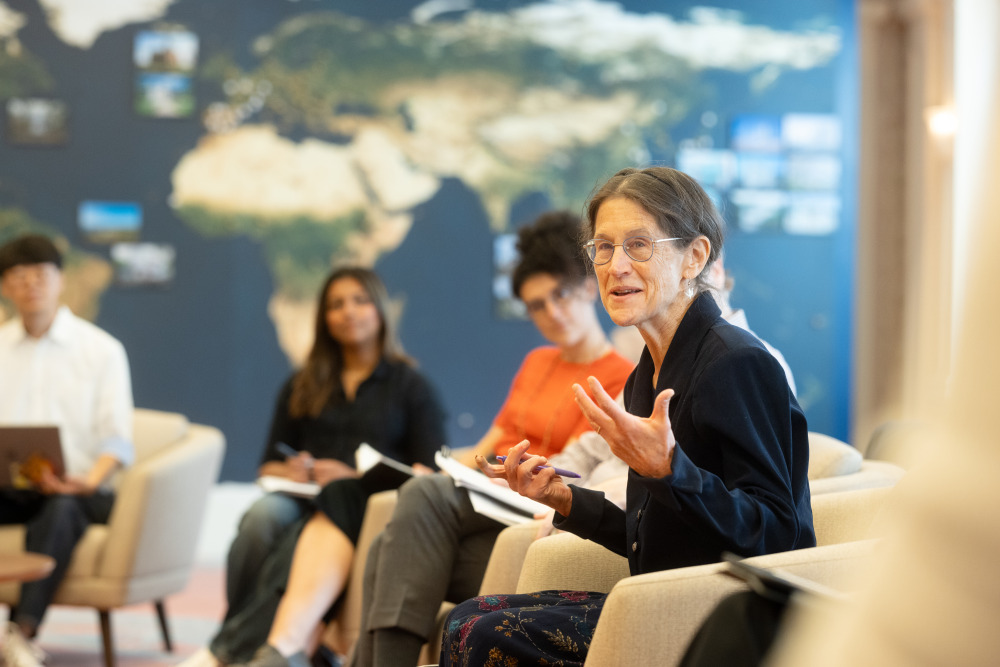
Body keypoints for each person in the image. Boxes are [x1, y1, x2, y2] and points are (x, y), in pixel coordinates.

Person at [440, 166, 815, 666]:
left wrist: (669, 470)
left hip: (711, 613)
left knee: (489, 635)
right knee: (466, 618)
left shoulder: (736, 362)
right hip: (657, 592)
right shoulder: (649, 370)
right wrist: (564, 498)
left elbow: (777, 536)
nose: (615, 266)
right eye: (603, 247)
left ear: (694, 257)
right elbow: (651, 538)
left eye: (639, 245)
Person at [341, 211, 635, 667]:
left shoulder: (620, 378)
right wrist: (457, 468)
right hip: (497, 490)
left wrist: (481, 476)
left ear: (585, 286)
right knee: (394, 539)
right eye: (537, 305)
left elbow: (574, 470)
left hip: (533, 502)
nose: (551, 313)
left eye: (559, 295)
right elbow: (487, 445)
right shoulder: (538, 362)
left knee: (420, 502)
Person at [182, 266, 446, 667]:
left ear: (380, 309)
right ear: (324, 318)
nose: (348, 312)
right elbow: (266, 467)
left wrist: (354, 477)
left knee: (295, 542)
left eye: (359, 300)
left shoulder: (412, 386)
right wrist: (292, 471)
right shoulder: (302, 383)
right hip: (299, 496)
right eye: (336, 304)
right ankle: (247, 643)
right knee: (260, 518)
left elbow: (428, 472)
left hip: (363, 504)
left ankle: (229, 651)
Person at [0, 234, 134, 667]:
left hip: (81, 489)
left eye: (40, 275)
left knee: (60, 508)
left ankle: (20, 633)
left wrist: (89, 479)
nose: (30, 285)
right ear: (5, 287)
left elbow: (118, 437)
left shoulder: (102, 350)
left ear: (61, 280)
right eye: (18, 277)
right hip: (13, 489)